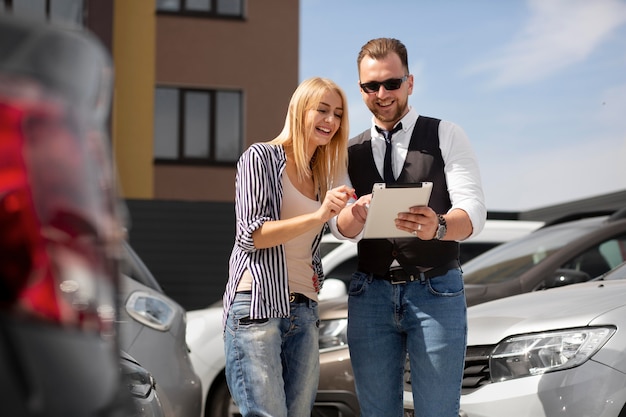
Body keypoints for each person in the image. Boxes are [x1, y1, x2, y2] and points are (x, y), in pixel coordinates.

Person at [332, 38, 487, 417]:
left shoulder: (446, 134)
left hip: (436, 291)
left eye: (391, 83)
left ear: (410, 82)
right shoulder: (346, 150)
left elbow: (474, 212)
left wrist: (438, 226)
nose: (382, 94)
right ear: (361, 89)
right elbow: (337, 227)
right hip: (369, 294)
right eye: (372, 86)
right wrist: (354, 216)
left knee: (437, 411)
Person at [222, 77, 354, 417]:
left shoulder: (321, 175)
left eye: (337, 114)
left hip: (305, 311)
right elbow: (252, 234)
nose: (331, 121)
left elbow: (326, 236)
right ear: (299, 110)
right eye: (322, 110)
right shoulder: (261, 158)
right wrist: (320, 213)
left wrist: (357, 211)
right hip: (258, 305)